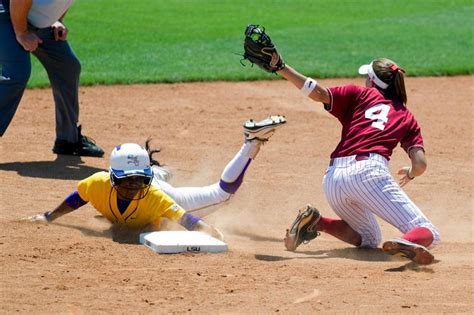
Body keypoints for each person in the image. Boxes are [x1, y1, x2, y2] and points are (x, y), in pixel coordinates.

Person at [268, 54, 439, 264]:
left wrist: (282, 67)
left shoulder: (360, 94)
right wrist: (411, 174)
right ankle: (406, 241)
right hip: (368, 174)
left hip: (333, 180)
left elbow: (318, 93)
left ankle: (317, 223)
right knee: (427, 230)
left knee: (369, 238)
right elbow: (420, 164)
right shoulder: (406, 116)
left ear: (372, 81)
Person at [25, 115, 286, 242]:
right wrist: (49, 217)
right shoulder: (96, 183)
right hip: (155, 181)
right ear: (112, 178)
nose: (132, 187)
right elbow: (77, 198)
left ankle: (250, 144)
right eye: (127, 181)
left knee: (222, 194)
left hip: (164, 191)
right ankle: (160, 171)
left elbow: (187, 220)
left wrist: (211, 232)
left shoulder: (156, 198)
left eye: (138, 180)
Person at [0, 0, 104, 157]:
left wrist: (57, 20)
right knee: (17, 73)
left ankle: (68, 140)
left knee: (68, 66)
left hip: (35, 21)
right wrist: (21, 33)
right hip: (7, 15)